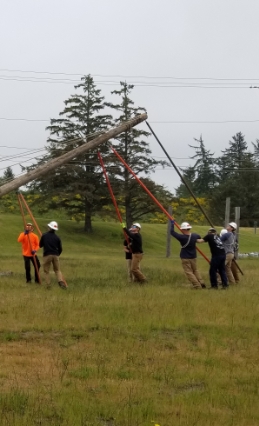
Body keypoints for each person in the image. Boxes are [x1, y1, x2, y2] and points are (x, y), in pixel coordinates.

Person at [170, 220, 206, 289]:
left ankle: (197, 285)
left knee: (189, 272)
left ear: (183, 229)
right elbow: (199, 237)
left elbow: (172, 232)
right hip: (193, 257)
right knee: (195, 270)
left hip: (185, 257)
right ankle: (201, 282)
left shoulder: (181, 237)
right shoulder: (195, 235)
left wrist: (172, 224)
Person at [39, 221, 67, 289]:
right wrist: (57, 254)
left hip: (47, 254)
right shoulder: (57, 237)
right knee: (57, 270)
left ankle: (48, 285)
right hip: (56, 255)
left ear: (49, 228)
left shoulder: (44, 235)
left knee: (46, 271)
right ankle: (60, 281)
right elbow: (60, 248)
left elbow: (40, 245)